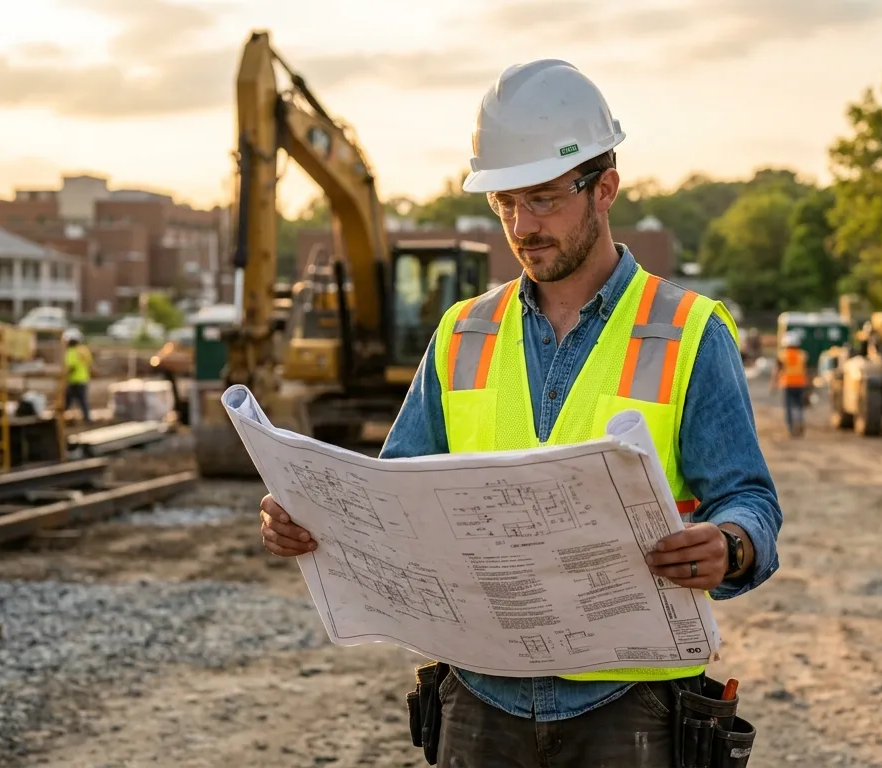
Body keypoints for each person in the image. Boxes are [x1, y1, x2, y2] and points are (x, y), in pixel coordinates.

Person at [259, 58, 783, 766]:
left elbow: (749, 500)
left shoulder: (689, 330)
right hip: (479, 700)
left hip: (629, 705)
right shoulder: (462, 333)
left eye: (541, 199)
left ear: (604, 189)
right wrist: (313, 518)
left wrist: (730, 545)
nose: (521, 226)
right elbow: (391, 496)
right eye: (504, 203)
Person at [772, 331, 809, 437]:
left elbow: (776, 370)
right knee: (798, 405)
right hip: (800, 384)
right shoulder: (802, 354)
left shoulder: (782, 355)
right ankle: (799, 422)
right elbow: (806, 370)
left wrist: (773, 384)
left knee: (789, 407)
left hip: (787, 384)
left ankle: (791, 428)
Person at [63, 330, 93, 424]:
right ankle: (87, 419)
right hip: (83, 379)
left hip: (74, 380)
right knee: (83, 400)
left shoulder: (71, 351)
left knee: (67, 400)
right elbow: (89, 363)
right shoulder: (84, 350)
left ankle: (60, 420)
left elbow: (71, 366)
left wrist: (64, 377)